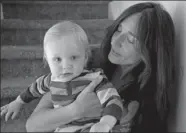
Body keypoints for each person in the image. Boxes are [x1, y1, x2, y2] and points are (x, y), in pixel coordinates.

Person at [26, 2, 175, 133]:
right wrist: (76, 110)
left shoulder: (148, 98)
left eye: (131, 39)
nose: (115, 41)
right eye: (118, 30)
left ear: (150, 51)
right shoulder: (83, 64)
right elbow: (32, 126)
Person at [1, 21, 128, 132]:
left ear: (85, 57)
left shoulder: (95, 78)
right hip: (63, 128)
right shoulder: (49, 80)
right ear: (47, 60)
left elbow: (113, 101)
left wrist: (105, 123)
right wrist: (18, 102)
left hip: (90, 127)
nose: (66, 66)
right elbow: (32, 91)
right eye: (57, 59)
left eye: (73, 57)